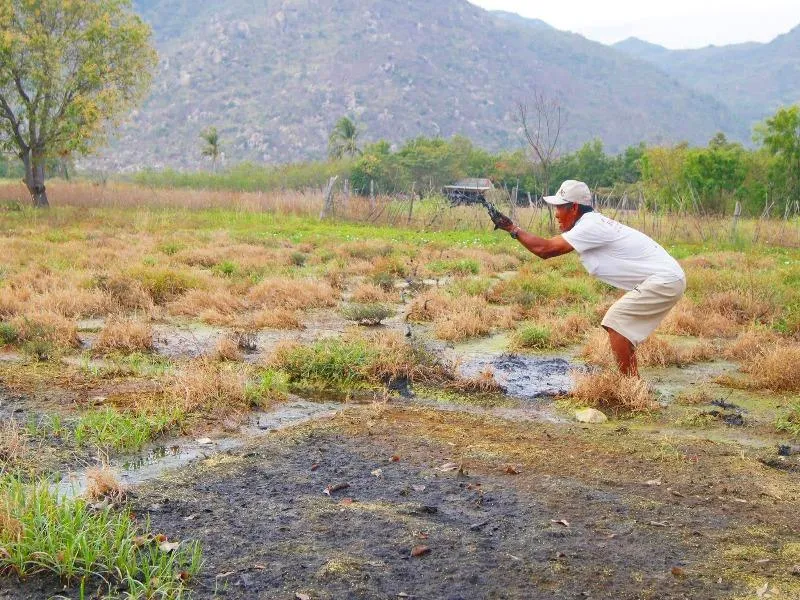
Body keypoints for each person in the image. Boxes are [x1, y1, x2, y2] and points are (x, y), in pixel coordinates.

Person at [490, 179, 686, 377]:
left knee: (616, 322)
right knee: (620, 325)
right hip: (667, 279)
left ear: (574, 207)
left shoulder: (590, 226)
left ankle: (630, 385)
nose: (556, 214)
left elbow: (545, 249)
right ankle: (631, 382)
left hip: (665, 280)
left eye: (560, 207)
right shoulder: (591, 223)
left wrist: (513, 229)